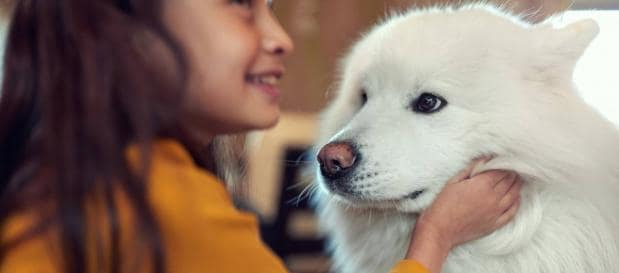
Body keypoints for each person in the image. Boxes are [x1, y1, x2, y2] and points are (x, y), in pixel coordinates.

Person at [0, 1, 522, 273]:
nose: (280, 38)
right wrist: (434, 238)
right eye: (239, 4)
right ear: (124, 32)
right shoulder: (158, 202)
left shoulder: (60, 177)